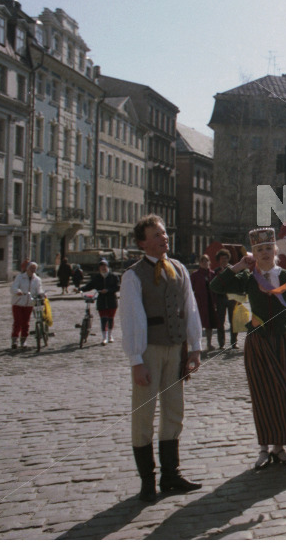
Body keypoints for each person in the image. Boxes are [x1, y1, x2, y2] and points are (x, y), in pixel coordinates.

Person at [210, 227, 286, 469]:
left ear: (276, 251)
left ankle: (280, 448)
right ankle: (264, 448)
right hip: (258, 341)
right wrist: (239, 266)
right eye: (258, 249)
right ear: (253, 252)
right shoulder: (248, 279)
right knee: (262, 394)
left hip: (284, 340)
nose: (264, 253)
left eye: (268, 248)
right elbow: (216, 287)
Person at [120, 214, 202, 502]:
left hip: (176, 349)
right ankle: (147, 481)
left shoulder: (179, 269)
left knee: (174, 411)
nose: (163, 238)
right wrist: (136, 360)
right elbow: (132, 319)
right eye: (156, 235)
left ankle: (171, 474)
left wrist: (195, 346)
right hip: (149, 350)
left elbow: (190, 309)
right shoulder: (133, 275)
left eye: (164, 233)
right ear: (143, 242)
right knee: (143, 413)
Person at [81, 259, 120, 344]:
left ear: (107, 266)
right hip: (101, 300)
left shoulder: (113, 276)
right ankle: (104, 337)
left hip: (111, 300)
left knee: (110, 319)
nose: (103, 268)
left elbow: (117, 287)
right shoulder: (97, 277)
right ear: (99, 268)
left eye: (104, 266)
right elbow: (89, 286)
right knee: (103, 319)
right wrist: (80, 289)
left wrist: (108, 290)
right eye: (101, 266)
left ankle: (110, 335)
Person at [10, 262, 44, 350]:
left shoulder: (37, 279)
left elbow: (39, 289)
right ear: (27, 269)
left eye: (34, 269)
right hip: (18, 302)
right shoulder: (20, 277)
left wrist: (41, 294)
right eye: (31, 268)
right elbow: (13, 287)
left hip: (29, 303)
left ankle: (23, 340)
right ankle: (14, 340)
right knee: (17, 322)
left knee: (26, 323)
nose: (33, 270)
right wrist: (17, 291)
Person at [190, 255, 219, 352]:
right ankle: (197, 345)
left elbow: (216, 289)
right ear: (200, 263)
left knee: (209, 324)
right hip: (199, 303)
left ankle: (209, 343)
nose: (205, 263)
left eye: (206, 261)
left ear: (209, 262)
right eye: (202, 262)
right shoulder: (195, 275)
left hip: (210, 302)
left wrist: (215, 302)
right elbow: (190, 289)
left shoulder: (213, 274)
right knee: (198, 324)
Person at [212, 249, 238, 349]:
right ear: (219, 260)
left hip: (232, 298)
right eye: (222, 259)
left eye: (226, 258)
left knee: (233, 321)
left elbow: (237, 284)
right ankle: (221, 343)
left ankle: (234, 342)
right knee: (220, 321)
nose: (224, 260)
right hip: (220, 299)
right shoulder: (216, 271)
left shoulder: (233, 269)